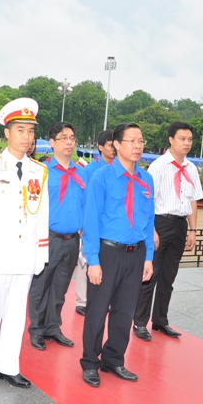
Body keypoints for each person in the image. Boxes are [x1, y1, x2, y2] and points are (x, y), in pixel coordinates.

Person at [0, 97, 49, 392]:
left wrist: (42, 252)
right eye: (20, 130)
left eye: (30, 131)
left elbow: (42, 214)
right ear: (7, 132)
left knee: (17, 314)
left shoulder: (38, 171)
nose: (26, 137)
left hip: (25, 255)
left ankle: (9, 367)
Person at [80, 123, 154, 388]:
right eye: (131, 141)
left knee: (125, 312)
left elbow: (148, 221)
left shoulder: (146, 179)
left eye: (141, 141)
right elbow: (91, 222)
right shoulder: (102, 177)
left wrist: (149, 257)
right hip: (108, 252)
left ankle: (114, 358)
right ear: (116, 145)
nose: (137, 146)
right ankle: (90, 362)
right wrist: (94, 261)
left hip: (136, 254)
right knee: (98, 311)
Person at [133, 122, 203, 341]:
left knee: (168, 277)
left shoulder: (191, 168)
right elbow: (148, 201)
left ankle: (160, 320)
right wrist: (151, 230)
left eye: (190, 139)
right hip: (160, 223)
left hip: (180, 224)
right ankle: (140, 322)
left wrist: (193, 231)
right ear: (171, 140)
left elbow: (193, 201)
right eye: (182, 138)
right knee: (150, 275)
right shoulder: (158, 166)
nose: (187, 143)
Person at [28, 122, 86, 351]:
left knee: (61, 286)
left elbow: (85, 205)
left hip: (72, 240)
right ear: (52, 143)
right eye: (64, 138)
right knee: (40, 286)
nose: (69, 142)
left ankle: (53, 326)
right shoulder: (40, 171)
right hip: (48, 238)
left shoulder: (81, 172)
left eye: (72, 137)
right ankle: (37, 329)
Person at [74, 129, 115, 316]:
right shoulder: (89, 171)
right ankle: (82, 301)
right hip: (90, 224)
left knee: (104, 262)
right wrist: (83, 224)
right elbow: (83, 199)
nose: (114, 149)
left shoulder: (118, 169)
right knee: (85, 262)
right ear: (100, 147)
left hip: (108, 226)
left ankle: (102, 299)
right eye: (110, 145)